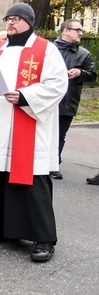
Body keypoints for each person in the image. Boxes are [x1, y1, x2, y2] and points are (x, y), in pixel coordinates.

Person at [0, 2, 68, 262]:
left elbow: (58, 84)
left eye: (16, 19)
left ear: (29, 22)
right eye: (8, 19)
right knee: (2, 175)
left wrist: (25, 96)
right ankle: (2, 229)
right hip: (1, 124)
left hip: (28, 122)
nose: (11, 23)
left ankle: (44, 238)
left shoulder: (45, 50)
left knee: (32, 179)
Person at [51, 19, 96, 180]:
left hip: (69, 99)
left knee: (60, 134)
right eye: (78, 30)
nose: (81, 33)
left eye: (81, 30)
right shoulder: (50, 49)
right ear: (66, 31)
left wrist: (80, 73)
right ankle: (40, 162)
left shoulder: (84, 53)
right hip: (48, 99)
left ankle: (54, 163)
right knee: (44, 132)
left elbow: (92, 75)